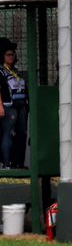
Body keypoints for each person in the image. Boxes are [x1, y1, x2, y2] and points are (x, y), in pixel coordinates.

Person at [0, 39, 27, 169]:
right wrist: (0, 106)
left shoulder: (15, 71)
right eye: (8, 55)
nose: (11, 57)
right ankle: (6, 162)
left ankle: (18, 162)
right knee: (8, 132)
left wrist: (24, 106)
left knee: (21, 133)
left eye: (13, 55)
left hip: (19, 107)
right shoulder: (1, 71)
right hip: (8, 107)